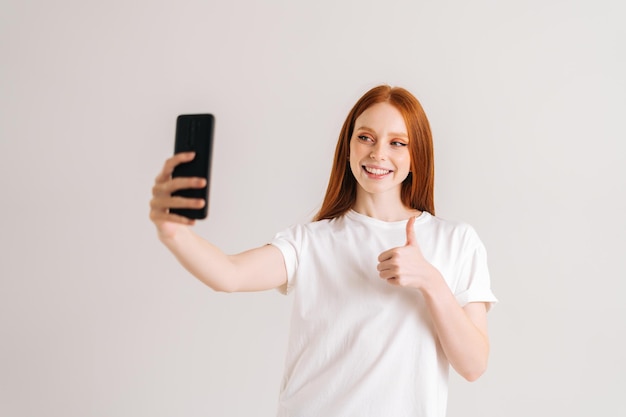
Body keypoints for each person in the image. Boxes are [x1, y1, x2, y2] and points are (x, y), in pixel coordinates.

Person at [149, 85, 497, 417]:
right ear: (348, 147)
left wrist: (430, 281)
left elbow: (473, 365)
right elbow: (229, 274)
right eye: (365, 137)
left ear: (416, 154)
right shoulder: (311, 241)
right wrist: (173, 233)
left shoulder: (457, 241)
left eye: (397, 142)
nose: (378, 153)